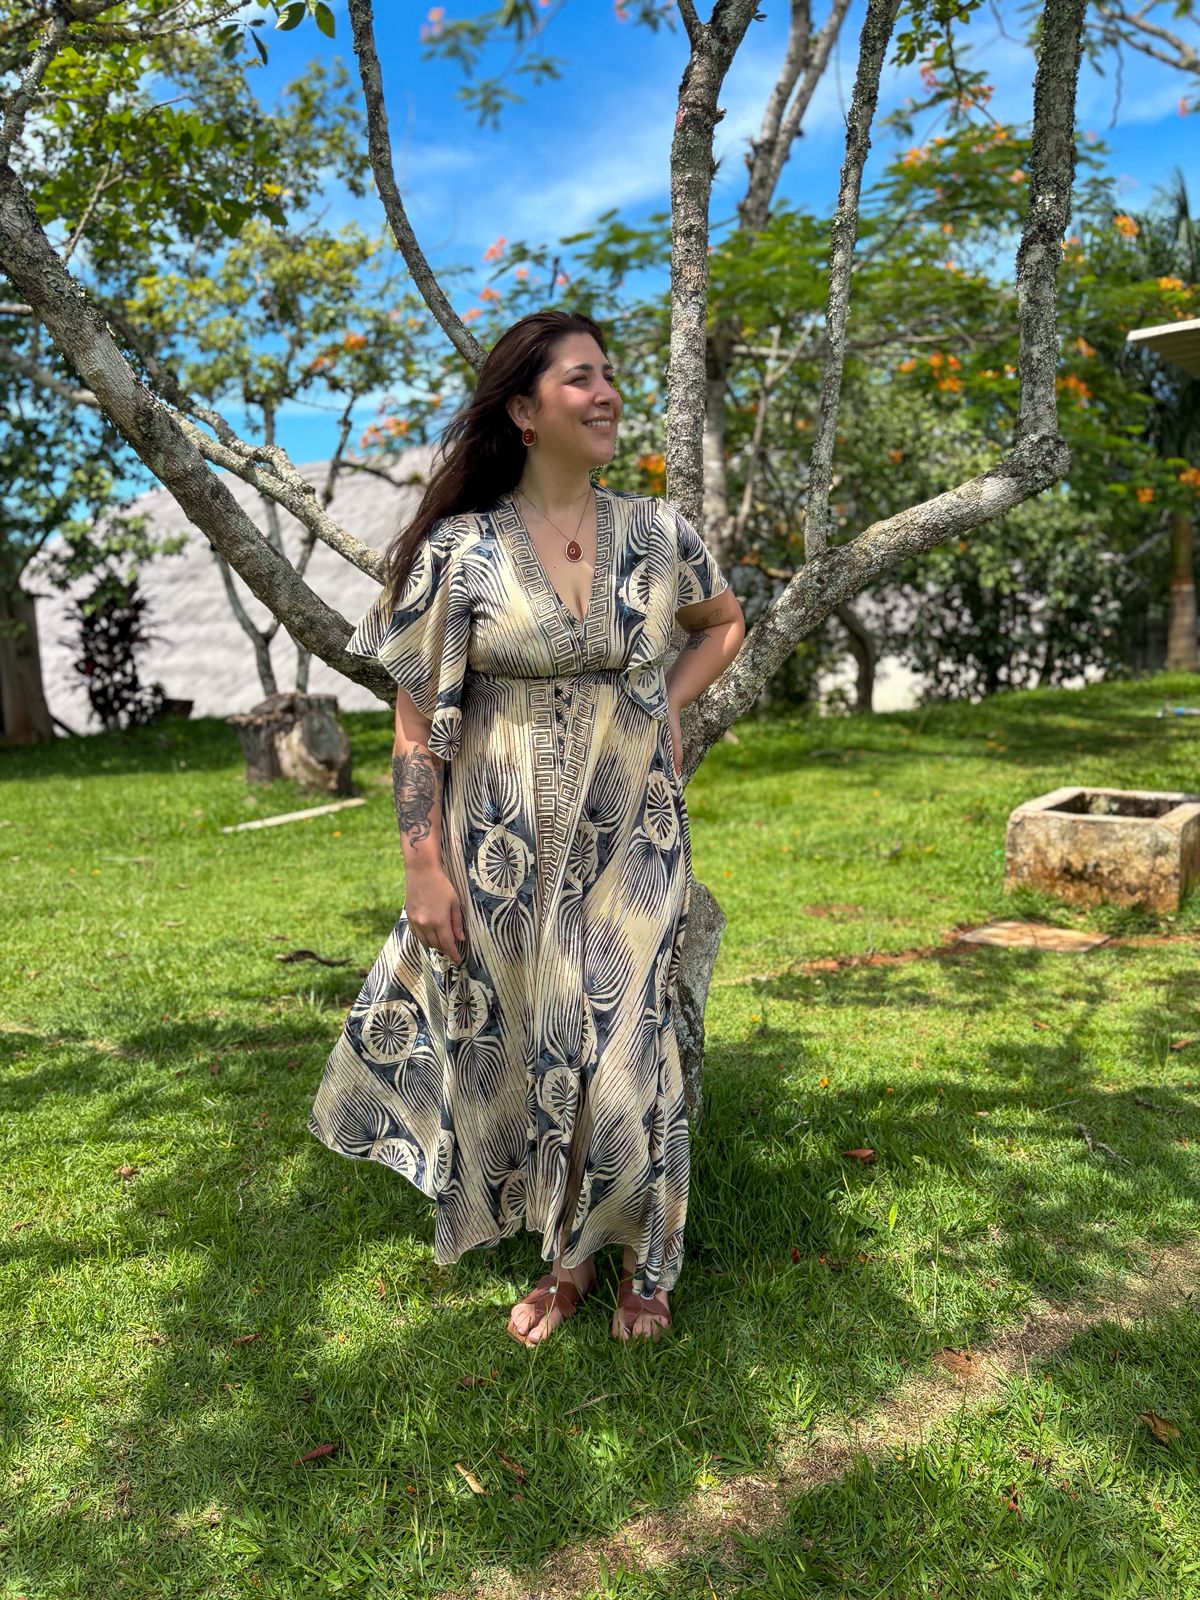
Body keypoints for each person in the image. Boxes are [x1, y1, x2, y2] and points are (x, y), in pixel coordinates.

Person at [309, 309, 745, 1344]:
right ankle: (569, 1256)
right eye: (581, 379)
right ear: (523, 409)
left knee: (628, 1040)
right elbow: (413, 724)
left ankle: (649, 1261)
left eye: (609, 375)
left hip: (634, 832)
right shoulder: (460, 551)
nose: (608, 394)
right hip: (502, 846)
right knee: (544, 1039)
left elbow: (723, 623)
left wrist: (668, 700)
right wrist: (423, 867)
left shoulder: (659, 533)